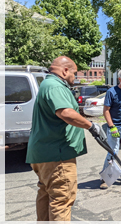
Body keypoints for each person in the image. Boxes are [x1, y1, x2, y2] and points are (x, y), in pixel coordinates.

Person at [26, 56, 103, 221]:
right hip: (57, 156)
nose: (74, 78)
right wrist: (91, 125)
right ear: (65, 70)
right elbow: (66, 113)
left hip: (45, 153)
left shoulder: (48, 84)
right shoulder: (55, 86)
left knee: (46, 194)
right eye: (74, 73)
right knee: (62, 198)